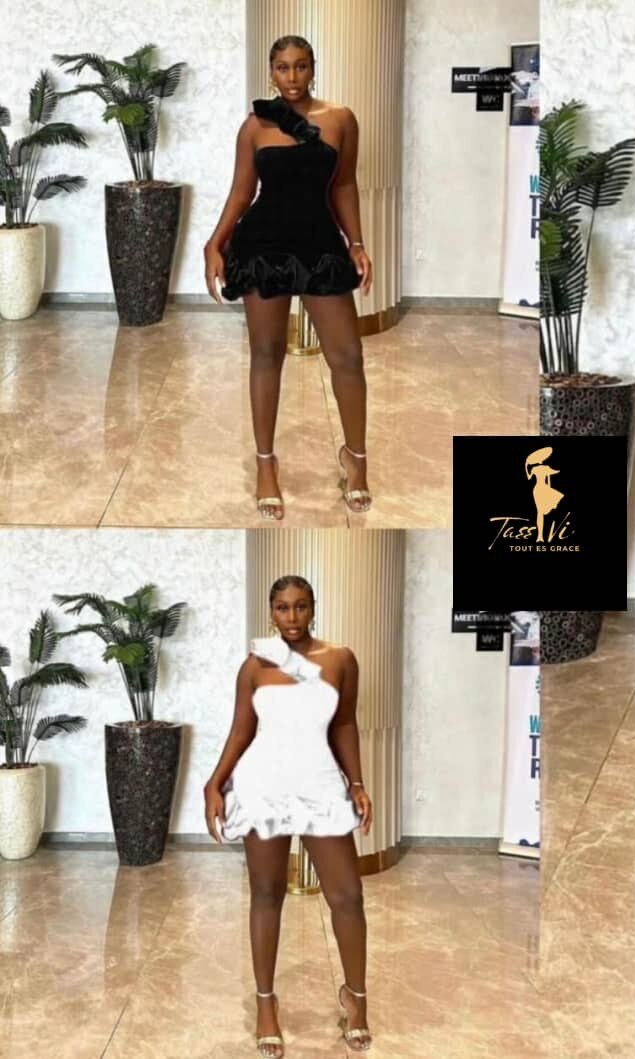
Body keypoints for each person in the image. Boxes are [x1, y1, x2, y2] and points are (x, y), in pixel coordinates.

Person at [204, 34, 375, 521]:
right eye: (283, 67)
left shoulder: (340, 119)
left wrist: (356, 243)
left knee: (347, 356)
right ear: (271, 72)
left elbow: (344, 184)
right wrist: (215, 243)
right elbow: (242, 192)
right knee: (266, 354)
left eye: (301, 66)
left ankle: (356, 460)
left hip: (319, 244)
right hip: (263, 245)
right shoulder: (255, 126)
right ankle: (266, 464)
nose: (292, 76)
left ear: (313, 68)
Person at [203, 575, 375, 1056]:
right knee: (266, 893)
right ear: (271, 611)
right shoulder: (255, 665)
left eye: (301, 606)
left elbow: (344, 723)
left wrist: (356, 783)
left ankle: (356, 998)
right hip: (263, 784)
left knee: (348, 896)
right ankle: (266, 1005)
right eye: (282, 607)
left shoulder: (340, 659)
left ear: (313, 608)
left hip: (319, 782)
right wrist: (215, 783)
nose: (292, 617)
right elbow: (241, 730)